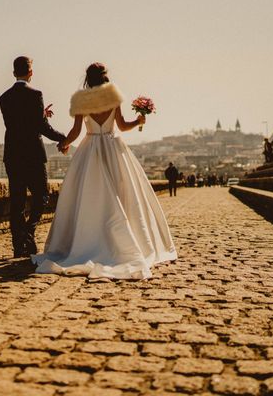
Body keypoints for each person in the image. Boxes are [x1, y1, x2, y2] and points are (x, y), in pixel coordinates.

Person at [32, 63, 177, 279]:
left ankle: (88, 239)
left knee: (88, 197)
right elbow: (121, 125)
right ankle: (119, 241)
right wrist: (138, 120)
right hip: (113, 148)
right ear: (105, 78)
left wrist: (64, 144)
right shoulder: (113, 97)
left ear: (88, 79)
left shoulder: (81, 100)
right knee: (121, 196)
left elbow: (76, 131)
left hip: (89, 149)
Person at [0, 56, 66, 258]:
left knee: (17, 201)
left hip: (13, 154)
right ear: (31, 73)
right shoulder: (36, 94)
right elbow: (39, 126)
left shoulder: (4, 97)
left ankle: (19, 246)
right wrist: (62, 137)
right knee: (42, 196)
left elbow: (16, 122)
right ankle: (29, 231)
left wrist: (41, 114)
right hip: (33, 155)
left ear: (13, 73)